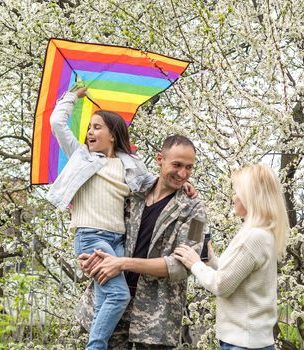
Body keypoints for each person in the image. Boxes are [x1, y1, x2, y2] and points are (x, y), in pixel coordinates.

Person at [47, 86, 156, 350]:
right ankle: (95, 347)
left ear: (113, 134)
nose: (90, 132)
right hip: (90, 236)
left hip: (118, 241)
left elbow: (153, 186)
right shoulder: (81, 156)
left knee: (108, 297)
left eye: (97, 127)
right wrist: (73, 96)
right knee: (118, 296)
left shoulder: (129, 163)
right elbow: (56, 123)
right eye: (89, 128)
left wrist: (182, 186)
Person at [76, 135, 207, 349]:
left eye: (189, 168)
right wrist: (90, 259)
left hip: (156, 317)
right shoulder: (130, 189)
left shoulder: (196, 211)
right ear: (160, 159)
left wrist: (123, 263)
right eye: (177, 165)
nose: (183, 173)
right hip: (112, 305)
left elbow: (183, 266)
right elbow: (101, 227)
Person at [174, 164, 290, 350]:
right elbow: (237, 276)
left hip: (244, 343)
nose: (233, 198)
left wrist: (194, 264)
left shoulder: (253, 237)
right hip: (247, 341)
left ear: (250, 197)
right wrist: (211, 260)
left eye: (237, 193)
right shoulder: (258, 233)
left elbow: (221, 286)